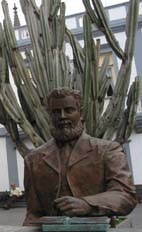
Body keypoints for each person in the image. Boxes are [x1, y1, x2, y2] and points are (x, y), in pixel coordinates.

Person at [23, 88, 137, 226]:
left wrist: (88, 204)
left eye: (69, 110)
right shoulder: (33, 159)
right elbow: (33, 215)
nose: (62, 116)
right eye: (56, 112)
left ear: (81, 113)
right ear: (50, 116)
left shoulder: (108, 150)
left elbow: (125, 195)